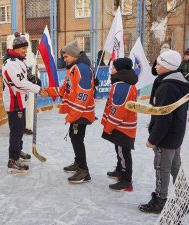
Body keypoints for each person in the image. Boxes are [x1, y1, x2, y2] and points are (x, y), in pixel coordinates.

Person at [139, 50, 189, 214]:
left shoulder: (167, 87)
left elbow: (164, 117)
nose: (156, 66)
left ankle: (160, 201)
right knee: (175, 165)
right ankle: (184, 196)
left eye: (159, 63)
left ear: (167, 66)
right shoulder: (178, 80)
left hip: (166, 137)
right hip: (176, 133)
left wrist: (153, 139)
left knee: (162, 168)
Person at [40, 40, 95, 184]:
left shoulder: (82, 69)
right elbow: (65, 90)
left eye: (66, 57)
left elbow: (83, 95)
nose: (64, 60)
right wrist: (48, 91)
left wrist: (73, 115)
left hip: (81, 113)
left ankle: (84, 171)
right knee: (74, 137)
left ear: (74, 55)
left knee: (77, 139)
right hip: (77, 113)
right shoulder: (73, 69)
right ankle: (78, 163)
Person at [2, 32, 42, 174]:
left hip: (20, 101)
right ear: (15, 48)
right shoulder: (11, 64)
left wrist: (33, 78)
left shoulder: (19, 60)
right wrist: (38, 89)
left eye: (26, 47)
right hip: (14, 102)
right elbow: (19, 84)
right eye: (23, 48)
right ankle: (12, 160)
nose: (25, 50)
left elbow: (25, 76)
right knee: (16, 131)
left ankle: (18, 152)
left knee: (20, 129)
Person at [101, 57, 138, 192]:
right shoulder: (123, 83)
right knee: (120, 150)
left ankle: (126, 180)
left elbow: (118, 110)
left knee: (123, 152)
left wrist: (109, 127)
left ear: (120, 69)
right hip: (122, 125)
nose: (111, 69)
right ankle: (120, 170)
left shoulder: (122, 85)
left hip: (122, 127)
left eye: (113, 67)